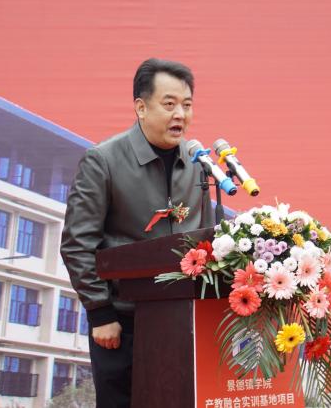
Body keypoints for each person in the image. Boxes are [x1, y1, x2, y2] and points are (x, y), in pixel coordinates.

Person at [60, 58, 214, 407]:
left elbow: (206, 239)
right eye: (169, 104)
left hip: (185, 323)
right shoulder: (103, 160)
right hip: (124, 323)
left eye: (187, 105)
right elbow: (77, 244)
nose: (180, 114)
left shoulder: (198, 164)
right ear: (141, 107)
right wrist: (100, 313)